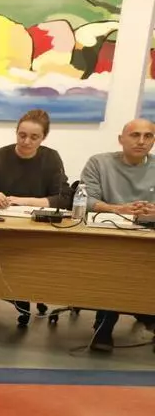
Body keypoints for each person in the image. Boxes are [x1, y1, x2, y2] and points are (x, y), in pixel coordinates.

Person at [0, 109, 70, 327]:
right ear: (16, 132)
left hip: (35, 228)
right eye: (22, 135)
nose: (26, 141)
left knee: (25, 257)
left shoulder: (51, 158)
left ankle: (20, 287)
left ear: (44, 137)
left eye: (34, 137)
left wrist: (22, 201)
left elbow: (63, 198)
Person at [80, 118, 155, 352]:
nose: (141, 141)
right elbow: (85, 200)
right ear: (121, 139)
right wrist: (118, 209)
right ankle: (105, 324)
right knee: (117, 263)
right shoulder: (99, 163)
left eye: (148, 136)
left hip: (149, 235)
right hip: (110, 234)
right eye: (135, 135)